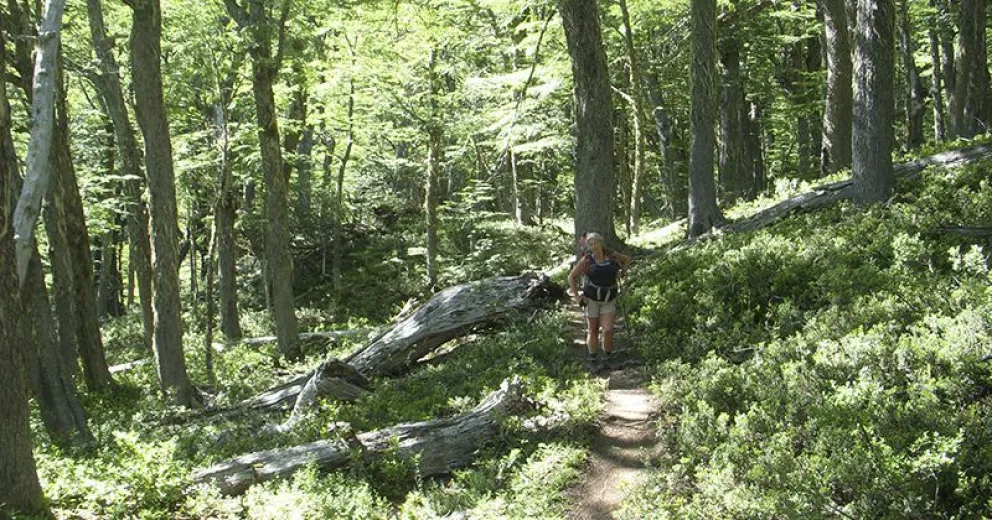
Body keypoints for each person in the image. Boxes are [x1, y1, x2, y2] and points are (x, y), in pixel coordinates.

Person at [568, 232, 630, 368]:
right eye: (590, 244)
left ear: (601, 243)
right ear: (588, 246)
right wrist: (577, 296)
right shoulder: (587, 260)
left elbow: (625, 259)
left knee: (608, 330)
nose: (593, 246)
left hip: (609, 298)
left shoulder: (612, 256)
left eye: (596, 243)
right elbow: (571, 277)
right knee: (593, 329)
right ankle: (593, 359)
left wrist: (623, 272)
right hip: (591, 299)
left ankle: (608, 358)